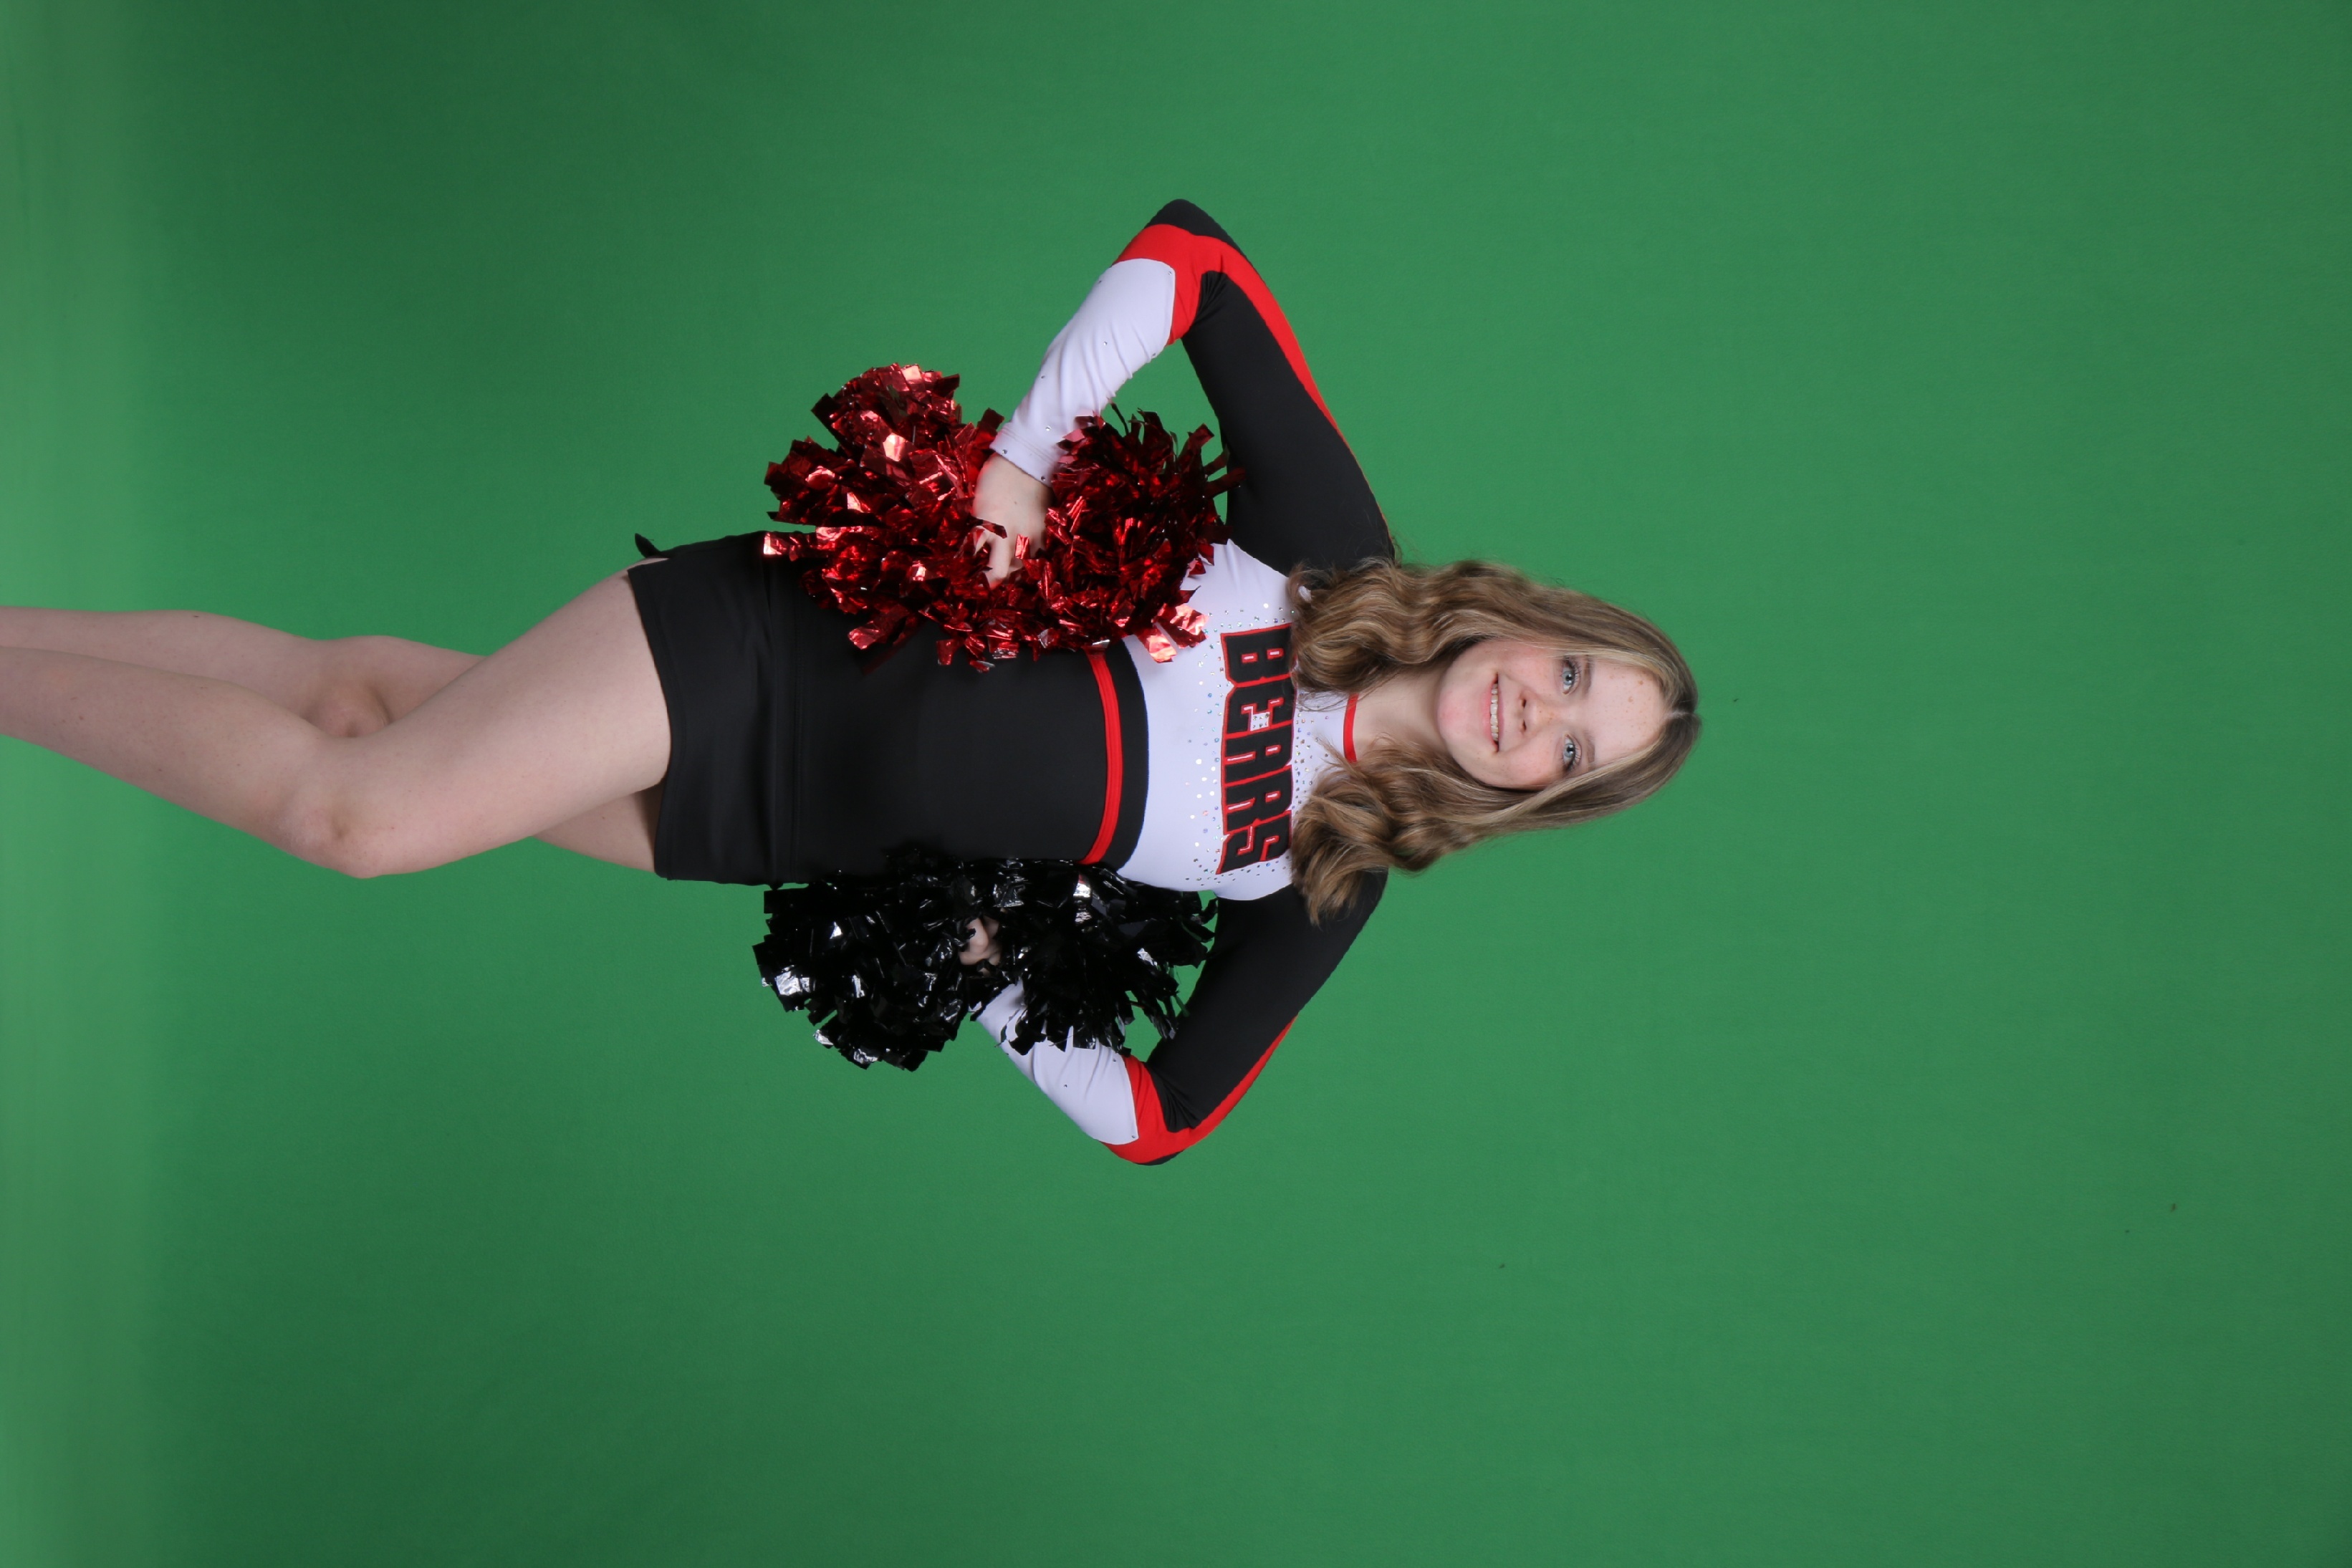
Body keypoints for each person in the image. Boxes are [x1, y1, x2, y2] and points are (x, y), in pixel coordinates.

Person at [0, 202, 1698, 1163]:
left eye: (1568, 747)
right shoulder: (1333, 555)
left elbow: (1160, 1115)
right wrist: (1026, 456)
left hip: (778, 824)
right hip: (782, 648)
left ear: (1537, 797)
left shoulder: (1320, 880)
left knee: (357, 707)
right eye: (1569, 674)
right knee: (358, 817)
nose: (1534, 713)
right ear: (1536, 624)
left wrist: (986, 976)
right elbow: (1196, 262)